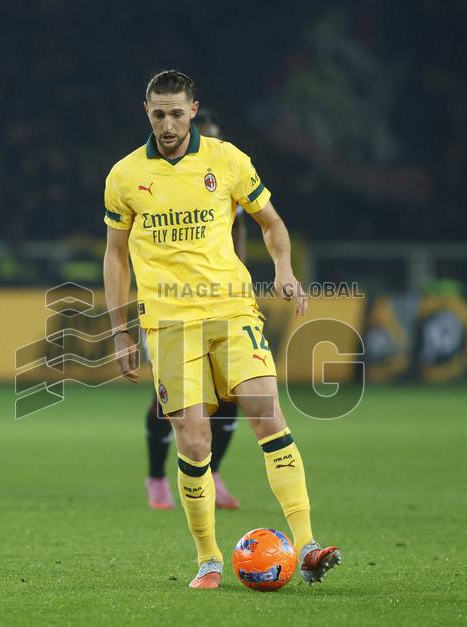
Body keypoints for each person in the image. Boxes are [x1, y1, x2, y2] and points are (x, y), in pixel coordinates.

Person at [103, 71, 341, 588]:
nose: (167, 124)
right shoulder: (124, 176)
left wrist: (284, 271)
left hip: (232, 311)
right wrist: (120, 331)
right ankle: (209, 558)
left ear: (194, 110)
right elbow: (115, 255)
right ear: (146, 110)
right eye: (158, 113)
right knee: (192, 442)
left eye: (176, 113)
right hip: (168, 323)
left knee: (266, 413)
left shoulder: (228, 160)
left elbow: (272, 223)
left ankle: (306, 546)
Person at [143, 108, 244, 511]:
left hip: (222, 302)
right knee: (172, 404)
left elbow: (239, 234)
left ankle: (214, 473)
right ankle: (155, 479)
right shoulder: (159, 183)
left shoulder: (225, 176)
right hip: (169, 304)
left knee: (230, 397)